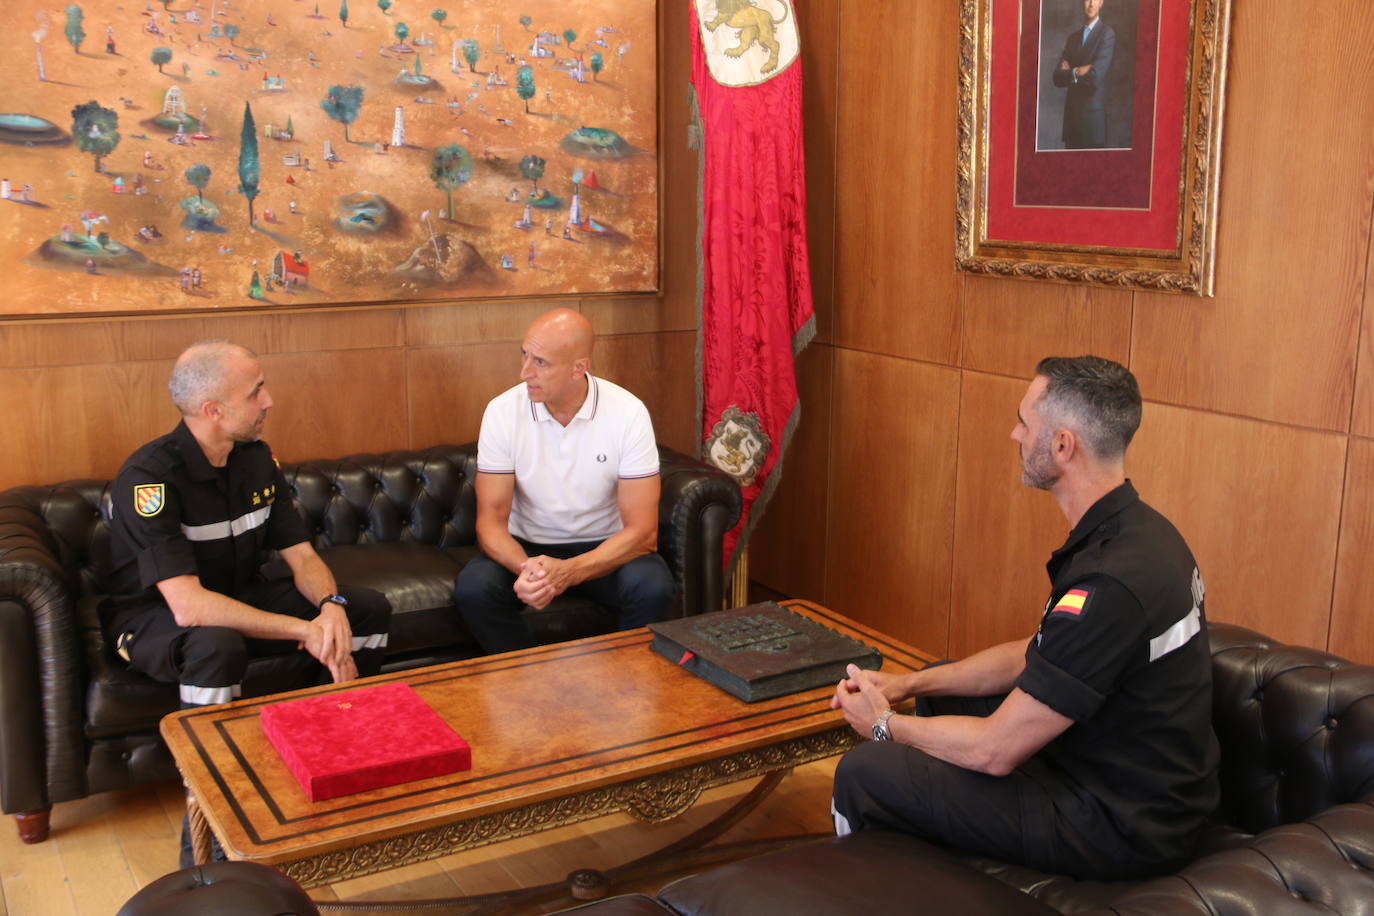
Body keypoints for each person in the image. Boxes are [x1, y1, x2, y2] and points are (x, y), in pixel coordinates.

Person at [830, 355, 1218, 881]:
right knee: (942, 691)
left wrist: (881, 727)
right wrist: (906, 683)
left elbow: (995, 751)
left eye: (1024, 422)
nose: (1014, 434)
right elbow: (1038, 651)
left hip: (1124, 823)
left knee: (866, 770)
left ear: (1062, 446)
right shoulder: (1141, 533)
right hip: (1120, 771)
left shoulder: (1110, 585)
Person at [100, 341, 392, 712]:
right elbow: (189, 608)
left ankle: (334, 726)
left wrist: (330, 606)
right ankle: (212, 765)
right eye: (256, 392)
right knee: (216, 645)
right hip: (154, 618)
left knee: (365, 608)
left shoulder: (256, 460)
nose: (269, 400)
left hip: (237, 596)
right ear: (214, 411)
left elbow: (302, 556)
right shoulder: (150, 479)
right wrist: (305, 629)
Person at [454, 308, 673, 653]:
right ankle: (528, 679)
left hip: (605, 547)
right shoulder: (502, 411)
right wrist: (531, 571)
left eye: (540, 362)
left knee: (653, 586)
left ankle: (630, 688)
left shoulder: (628, 413)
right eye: (524, 355)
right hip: (526, 549)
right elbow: (490, 525)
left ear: (578, 368)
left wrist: (569, 571)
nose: (524, 372)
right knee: (474, 588)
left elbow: (643, 533)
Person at [1051, 0, 1115, 149]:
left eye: (1095, 0)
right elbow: (1057, 77)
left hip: (1092, 125)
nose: (1091, 4)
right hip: (1072, 123)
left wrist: (1071, 71)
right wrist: (1078, 71)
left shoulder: (1107, 34)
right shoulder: (1072, 38)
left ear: (1101, 3)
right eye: (1087, 0)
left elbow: (1095, 77)